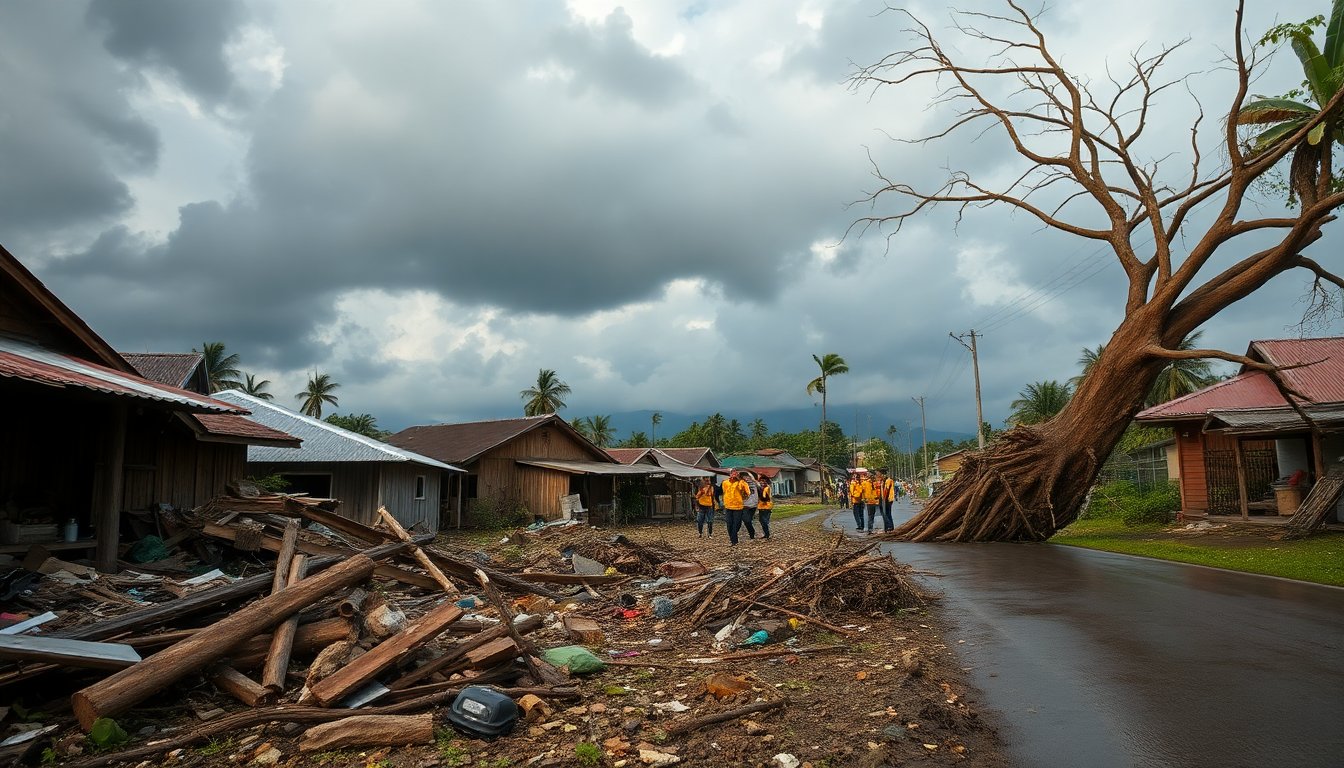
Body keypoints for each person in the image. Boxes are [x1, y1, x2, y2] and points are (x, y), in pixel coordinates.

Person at [721, 469, 750, 546]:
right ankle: (734, 540)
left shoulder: (741, 482)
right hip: (728, 505)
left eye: (736, 474)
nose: (734, 475)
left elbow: (747, 492)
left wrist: (741, 483)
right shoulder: (725, 482)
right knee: (729, 523)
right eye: (732, 473)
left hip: (738, 506)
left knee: (737, 524)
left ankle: (733, 537)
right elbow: (724, 492)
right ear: (730, 474)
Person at [741, 471, 760, 540]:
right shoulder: (741, 484)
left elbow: (760, 488)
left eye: (748, 476)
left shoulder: (755, 484)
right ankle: (751, 532)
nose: (746, 478)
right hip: (744, 505)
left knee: (749, 520)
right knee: (746, 520)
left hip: (753, 505)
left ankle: (752, 534)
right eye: (744, 476)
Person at [757, 475, 774, 539]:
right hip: (762, 506)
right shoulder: (764, 488)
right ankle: (766, 534)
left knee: (764, 521)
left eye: (763, 481)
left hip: (766, 506)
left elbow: (764, 497)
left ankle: (767, 534)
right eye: (761, 481)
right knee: (762, 520)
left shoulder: (766, 488)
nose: (762, 483)